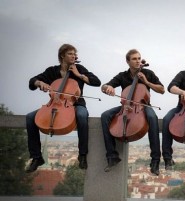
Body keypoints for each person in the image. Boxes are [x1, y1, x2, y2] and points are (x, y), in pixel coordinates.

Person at [25, 43, 101, 173]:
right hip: (54, 104)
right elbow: (32, 82)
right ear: (62, 56)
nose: (74, 56)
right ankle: (36, 157)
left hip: (76, 104)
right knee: (30, 117)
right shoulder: (52, 71)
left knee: (82, 116)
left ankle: (82, 154)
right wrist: (39, 82)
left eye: (74, 54)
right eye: (70, 54)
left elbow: (96, 82)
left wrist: (78, 75)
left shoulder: (79, 68)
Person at [101, 49, 164, 175]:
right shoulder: (122, 76)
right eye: (134, 59)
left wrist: (146, 82)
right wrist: (108, 87)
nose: (138, 61)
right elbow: (104, 86)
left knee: (152, 117)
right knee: (105, 115)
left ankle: (155, 160)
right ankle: (112, 156)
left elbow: (162, 89)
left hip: (143, 106)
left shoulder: (148, 73)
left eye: (139, 58)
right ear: (127, 61)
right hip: (126, 106)